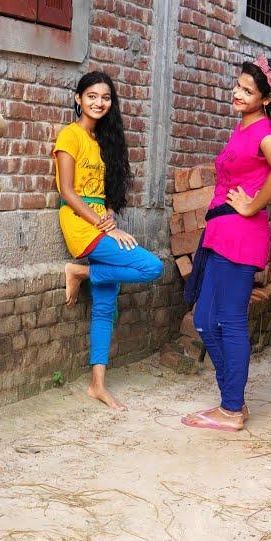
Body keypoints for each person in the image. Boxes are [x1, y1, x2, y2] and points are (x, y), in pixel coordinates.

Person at [181, 55, 271, 432]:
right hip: (222, 232)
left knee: (227, 321)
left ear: (266, 99)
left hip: (240, 235)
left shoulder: (264, 132)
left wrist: (253, 204)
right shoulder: (244, 127)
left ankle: (231, 409)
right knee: (204, 320)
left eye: (248, 91)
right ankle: (233, 399)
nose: (238, 93)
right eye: (238, 86)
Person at [57, 72, 164, 411]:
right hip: (80, 222)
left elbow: (107, 192)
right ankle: (79, 272)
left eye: (105, 97)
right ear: (78, 98)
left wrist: (111, 217)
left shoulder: (105, 140)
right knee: (152, 267)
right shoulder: (70, 135)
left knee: (105, 306)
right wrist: (102, 225)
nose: (98, 103)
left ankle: (97, 385)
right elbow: (68, 191)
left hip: (102, 221)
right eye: (91, 96)